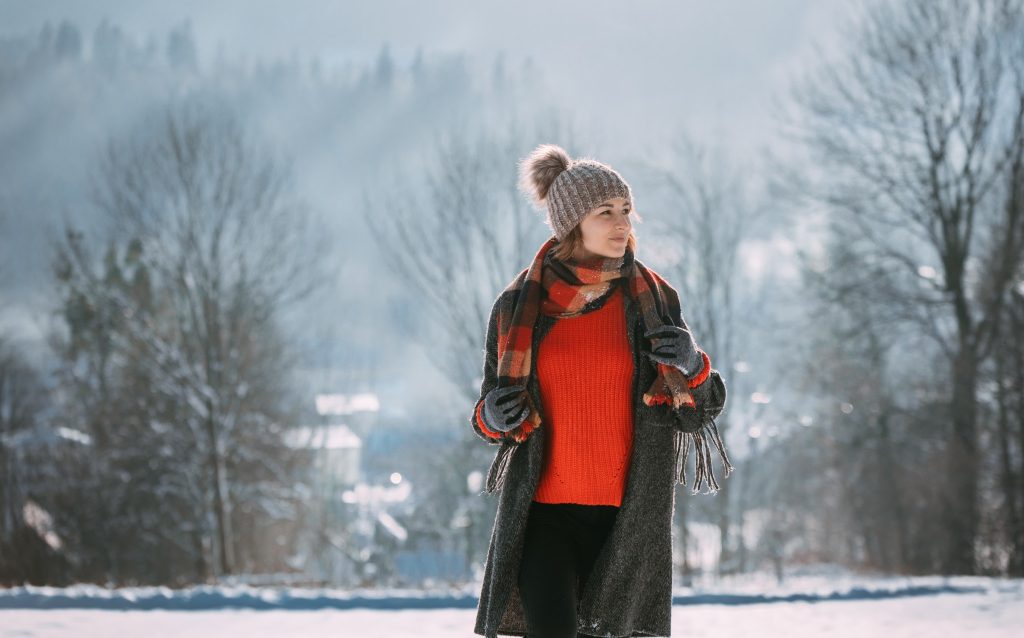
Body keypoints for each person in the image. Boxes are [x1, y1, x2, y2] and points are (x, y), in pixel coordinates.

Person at [469, 143, 732, 638]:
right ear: (571, 224)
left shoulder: (653, 300)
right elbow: (486, 415)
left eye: (626, 211)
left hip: (628, 521)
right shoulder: (516, 307)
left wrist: (693, 365)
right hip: (543, 517)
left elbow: (698, 411)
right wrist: (494, 418)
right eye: (605, 212)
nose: (622, 225)